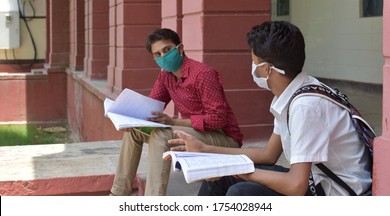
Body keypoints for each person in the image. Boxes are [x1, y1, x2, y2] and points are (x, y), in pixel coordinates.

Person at [168, 21, 372, 196]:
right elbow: (269, 154)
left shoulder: (305, 107)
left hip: (336, 195)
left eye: (253, 61)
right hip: (315, 181)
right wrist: (207, 152)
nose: (252, 66)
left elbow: (296, 185)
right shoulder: (293, 92)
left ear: (266, 69)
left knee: (241, 194)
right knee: (222, 179)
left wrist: (233, 169)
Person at [110, 28, 243, 196]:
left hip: (223, 137)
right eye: (157, 54)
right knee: (134, 133)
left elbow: (218, 119)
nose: (163, 56)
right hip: (195, 133)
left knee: (162, 134)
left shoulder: (203, 74)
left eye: (166, 50)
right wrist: (132, 122)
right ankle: (118, 194)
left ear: (180, 48)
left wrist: (174, 122)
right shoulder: (166, 76)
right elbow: (151, 108)